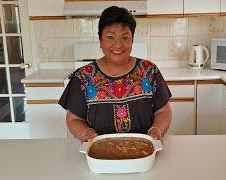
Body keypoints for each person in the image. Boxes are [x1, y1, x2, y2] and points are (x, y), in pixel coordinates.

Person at [59, 6, 172, 142]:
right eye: (110, 37)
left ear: (132, 40)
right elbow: (74, 119)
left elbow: (163, 112)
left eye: (125, 37)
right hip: (99, 155)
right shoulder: (83, 76)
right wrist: (87, 133)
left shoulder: (149, 70)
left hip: (145, 152)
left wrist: (156, 130)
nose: (118, 44)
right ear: (100, 40)